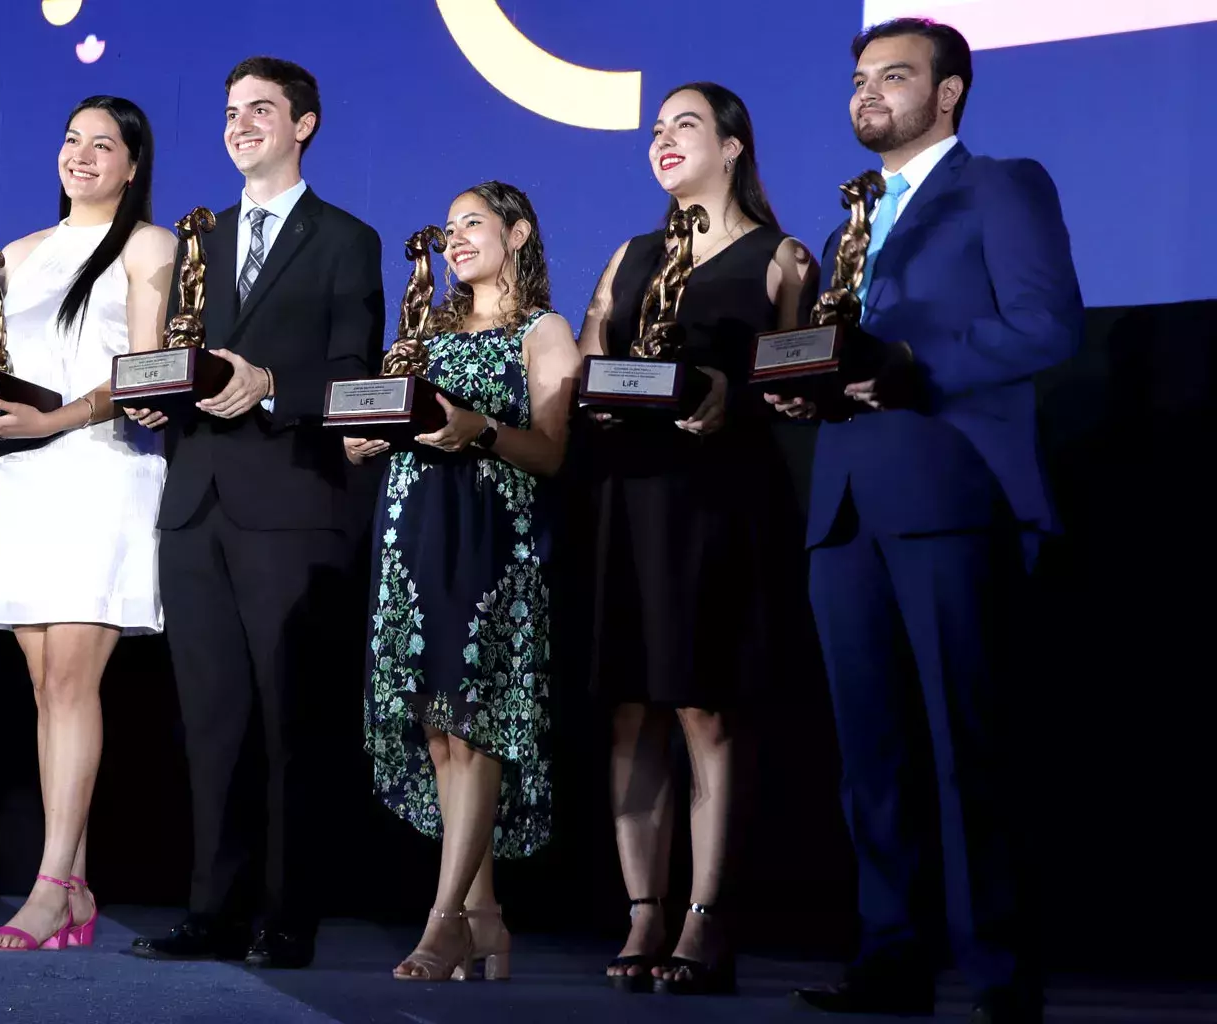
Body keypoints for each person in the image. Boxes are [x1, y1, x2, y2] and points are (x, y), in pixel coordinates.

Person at [771, 20, 1080, 1024]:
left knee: (967, 744)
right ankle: (891, 957)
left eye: (893, 76)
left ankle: (996, 972)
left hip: (950, 494)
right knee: (871, 753)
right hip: (845, 506)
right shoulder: (844, 228)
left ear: (947, 95)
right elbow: (840, 362)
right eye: (859, 78)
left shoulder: (1002, 185)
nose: (867, 93)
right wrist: (803, 387)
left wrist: (910, 366)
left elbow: (1047, 323)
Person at [126, 56, 384, 970]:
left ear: (303, 125)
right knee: (211, 722)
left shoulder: (348, 239)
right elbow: (179, 360)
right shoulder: (200, 238)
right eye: (231, 112)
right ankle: (212, 910)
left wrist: (273, 385)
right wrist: (156, 394)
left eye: (261, 110)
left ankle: (287, 915)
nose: (240, 125)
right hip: (195, 505)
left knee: (291, 725)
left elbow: (357, 376)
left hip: (290, 502)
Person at [578, 82, 817, 996]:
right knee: (631, 707)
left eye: (684, 125)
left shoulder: (781, 257)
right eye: (655, 129)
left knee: (705, 708)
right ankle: (643, 911)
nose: (662, 140)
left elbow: (803, 378)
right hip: (626, 497)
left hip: (716, 502)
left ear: (733, 147)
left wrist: (734, 397)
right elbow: (598, 358)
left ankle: (706, 918)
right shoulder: (629, 255)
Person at [0, 95, 174, 951]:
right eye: (72, 139)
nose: (82, 154)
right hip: (22, 478)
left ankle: (52, 883)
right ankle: (70, 886)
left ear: (132, 166)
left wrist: (54, 420)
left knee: (72, 682)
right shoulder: (18, 254)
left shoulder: (149, 245)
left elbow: (142, 374)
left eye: (103, 144)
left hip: (101, 469)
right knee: (44, 688)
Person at [345, 182, 577, 981]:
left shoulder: (542, 331)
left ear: (518, 233)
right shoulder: (426, 333)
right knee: (439, 732)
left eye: (472, 224)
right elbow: (375, 420)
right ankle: (484, 916)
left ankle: (444, 923)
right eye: (449, 229)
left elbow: (551, 452)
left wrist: (478, 429)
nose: (455, 240)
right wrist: (365, 440)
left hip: (491, 541)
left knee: (473, 725)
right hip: (413, 534)